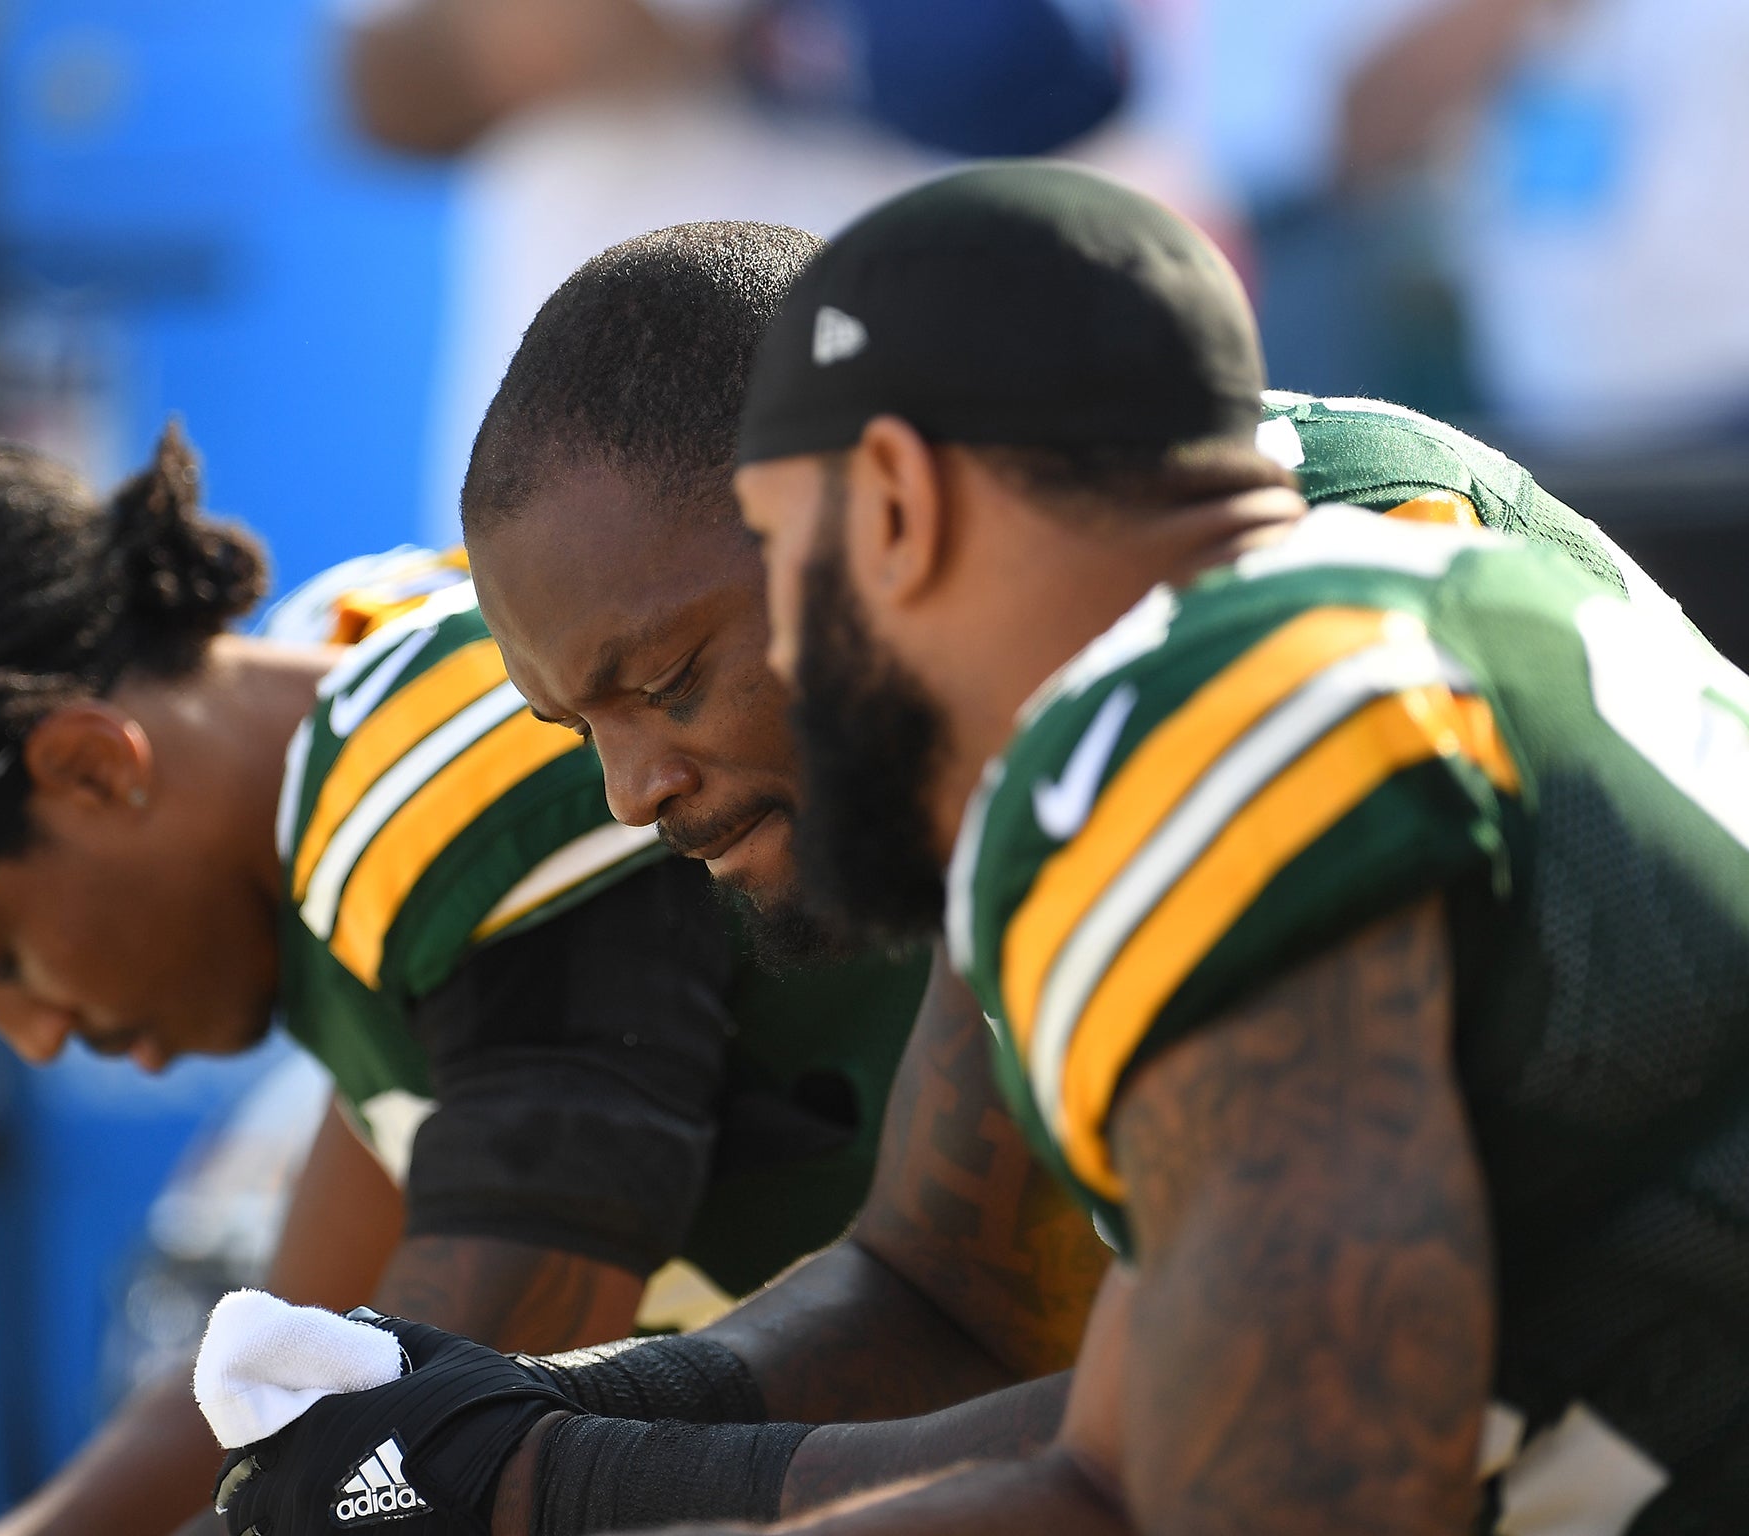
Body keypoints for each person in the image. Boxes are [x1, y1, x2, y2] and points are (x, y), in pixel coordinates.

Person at [204, 205, 1720, 1536]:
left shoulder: (1226, 712)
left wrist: (538, 1487)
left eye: (672, 675)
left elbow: (1186, 1493)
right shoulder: (1289, 618)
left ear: (898, 511)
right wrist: (501, 1430)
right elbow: (958, 1292)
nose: (629, 789)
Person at [727, 163, 1749, 1529]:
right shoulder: (1447, 596)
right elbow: (1117, 1472)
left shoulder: (1194, 721)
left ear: (900, 503)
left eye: (779, 551)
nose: (788, 653)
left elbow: (1296, 1500)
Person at [0, 416, 929, 1536]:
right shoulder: (340, 763)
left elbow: (406, 1452)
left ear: (89, 768)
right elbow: (306, 1347)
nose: (30, 1038)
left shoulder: (423, 808)